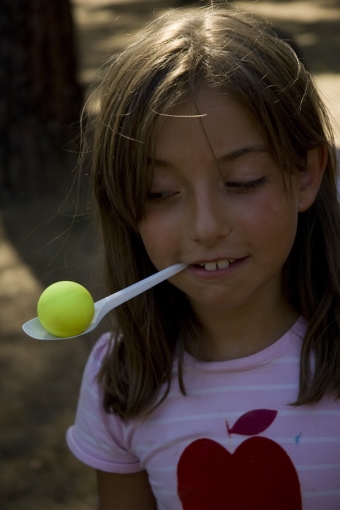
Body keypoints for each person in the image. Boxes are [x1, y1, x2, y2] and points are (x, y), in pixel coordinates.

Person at [66, 3, 340, 509]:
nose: (207, 227)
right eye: (160, 191)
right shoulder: (121, 378)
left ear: (305, 174)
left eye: (243, 182)